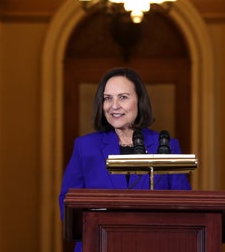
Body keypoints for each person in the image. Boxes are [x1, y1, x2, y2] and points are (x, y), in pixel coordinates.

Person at [59, 67, 192, 252]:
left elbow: (185, 205)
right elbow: (67, 201)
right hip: (97, 245)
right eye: (107, 98)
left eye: (123, 97)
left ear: (139, 100)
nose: (114, 105)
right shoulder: (85, 147)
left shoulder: (166, 147)